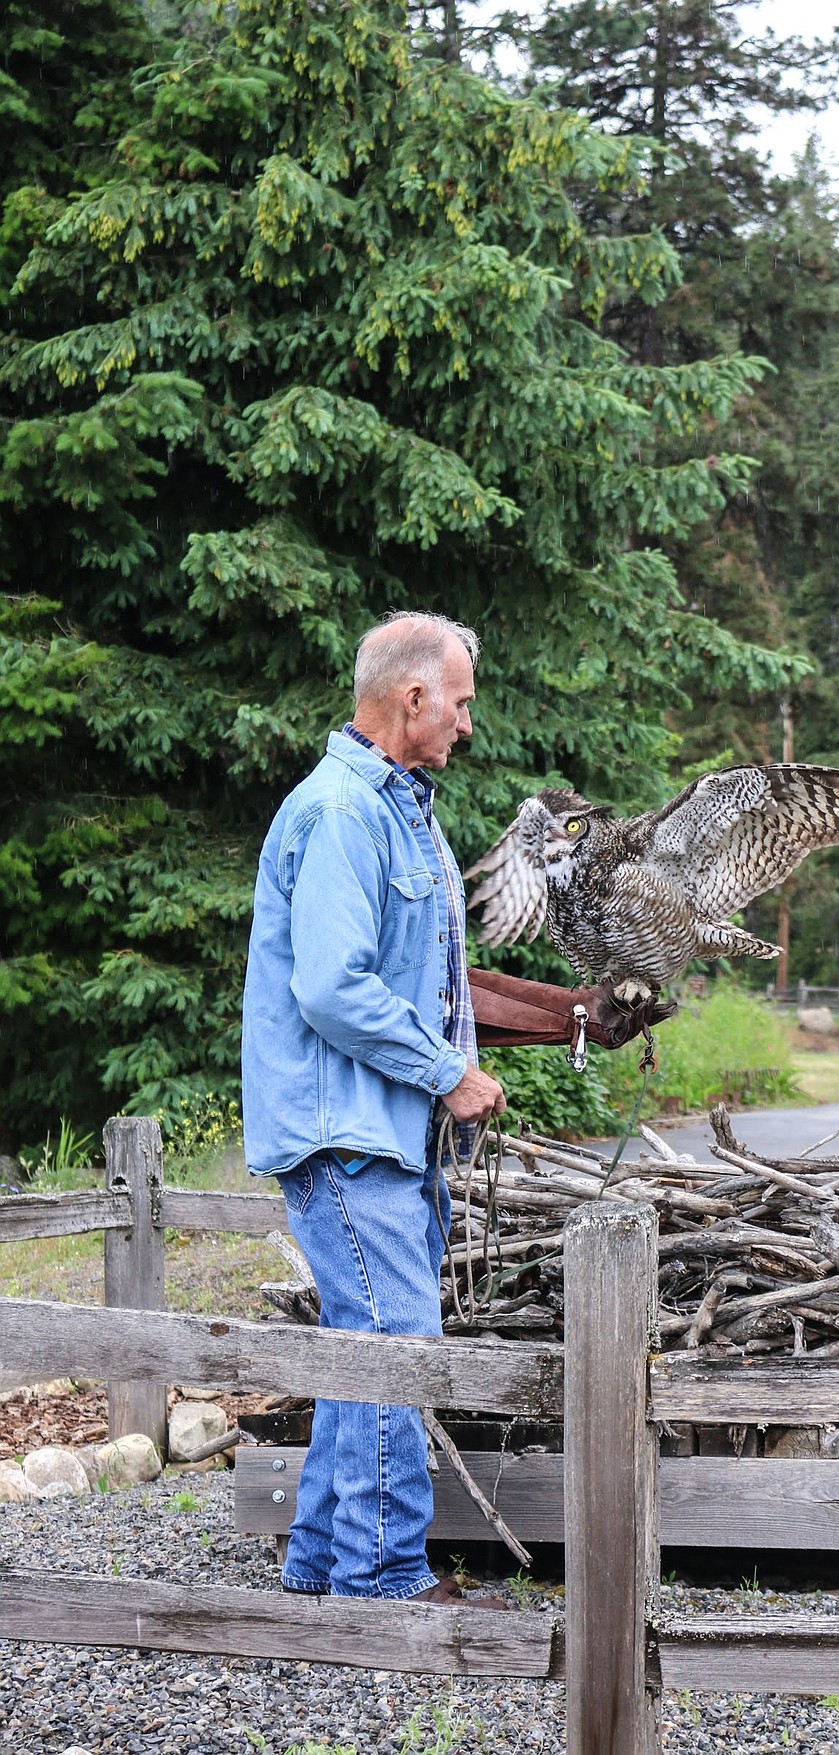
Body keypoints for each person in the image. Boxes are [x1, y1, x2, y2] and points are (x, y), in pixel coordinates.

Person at [241, 610, 507, 1604]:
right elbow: (334, 988)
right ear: (413, 697)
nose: (467, 725)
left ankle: (319, 1564)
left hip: (378, 1135)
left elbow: (421, 977)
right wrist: (447, 1074)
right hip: (345, 1134)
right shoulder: (344, 813)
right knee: (398, 1348)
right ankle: (385, 1581)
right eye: (461, 703)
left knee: (365, 1348)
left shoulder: (399, 810)